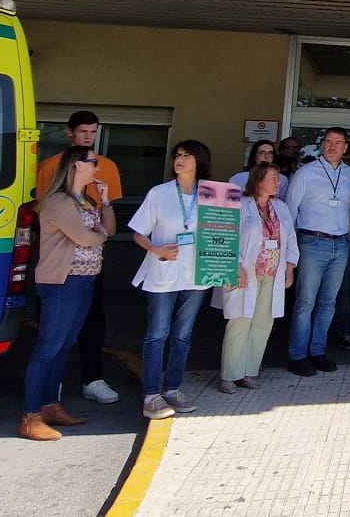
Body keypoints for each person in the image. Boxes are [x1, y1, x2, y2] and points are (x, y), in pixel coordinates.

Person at [20, 146, 114, 441]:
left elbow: (109, 229)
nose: (97, 167)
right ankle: (31, 415)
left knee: (63, 346)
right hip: (62, 281)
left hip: (84, 279)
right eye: (93, 162)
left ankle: (50, 405)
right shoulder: (58, 201)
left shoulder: (86, 200)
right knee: (49, 347)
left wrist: (106, 202)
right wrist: (100, 237)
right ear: (77, 165)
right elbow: (86, 237)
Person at [33, 110, 125, 407]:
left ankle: (91, 379)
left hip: (89, 266)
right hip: (60, 267)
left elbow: (107, 225)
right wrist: (96, 235)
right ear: (69, 132)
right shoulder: (51, 170)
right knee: (52, 336)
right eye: (83, 131)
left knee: (91, 320)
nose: (89, 137)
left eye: (93, 132)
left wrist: (101, 223)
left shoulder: (106, 169)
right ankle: (44, 397)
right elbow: (50, 214)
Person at [128, 140, 213, 419]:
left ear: (199, 161)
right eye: (177, 155)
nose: (180, 159)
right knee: (157, 333)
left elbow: (224, 232)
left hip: (196, 274)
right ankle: (151, 394)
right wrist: (156, 249)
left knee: (183, 335)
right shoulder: (160, 193)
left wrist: (225, 267)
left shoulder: (212, 195)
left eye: (187, 155)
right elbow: (138, 233)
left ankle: (173, 388)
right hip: (164, 272)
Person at [213, 162, 297, 393]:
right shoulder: (241, 205)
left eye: (278, 178)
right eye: (273, 178)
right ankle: (229, 375)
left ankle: (249, 372)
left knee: (263, 323)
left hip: (272, 274)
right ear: (259, 181)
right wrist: (236, 266)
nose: (278, 182)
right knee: (239, 322)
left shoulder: (281, 207)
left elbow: (290, 239)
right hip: (245, 273)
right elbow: (227, 238)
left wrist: (290, 267)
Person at [284, 127, 350, 376]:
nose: (332, 146)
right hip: (312, 243)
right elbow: (289, 210)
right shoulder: (306, 173)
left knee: (328, 301)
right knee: (306, 302)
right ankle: (298, 355)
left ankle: (317, 351)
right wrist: (290, 249)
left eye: (338, 142)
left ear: (345, 147)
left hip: (341, 244)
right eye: (328, 141)